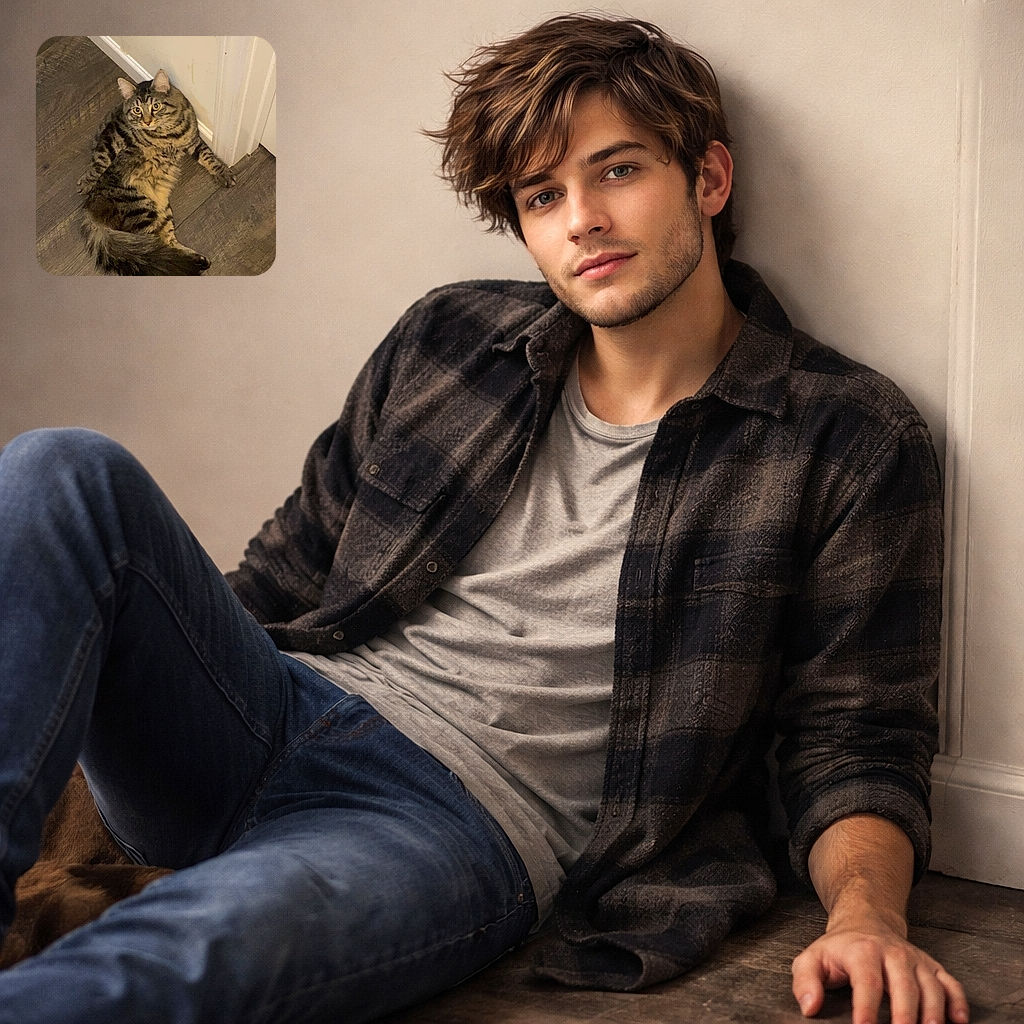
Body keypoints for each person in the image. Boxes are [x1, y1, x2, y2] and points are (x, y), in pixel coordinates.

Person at [0, 13, 968, 1024]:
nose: (581, 218)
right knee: (64, 467)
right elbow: (283, 572)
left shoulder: (845, 436)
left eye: (617, 170)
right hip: (279, 707)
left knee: (153, 970)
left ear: (709, 180)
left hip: (443, 821)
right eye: (542, 196)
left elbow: (856, 739)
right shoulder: (449, 338)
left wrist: (869, 920)